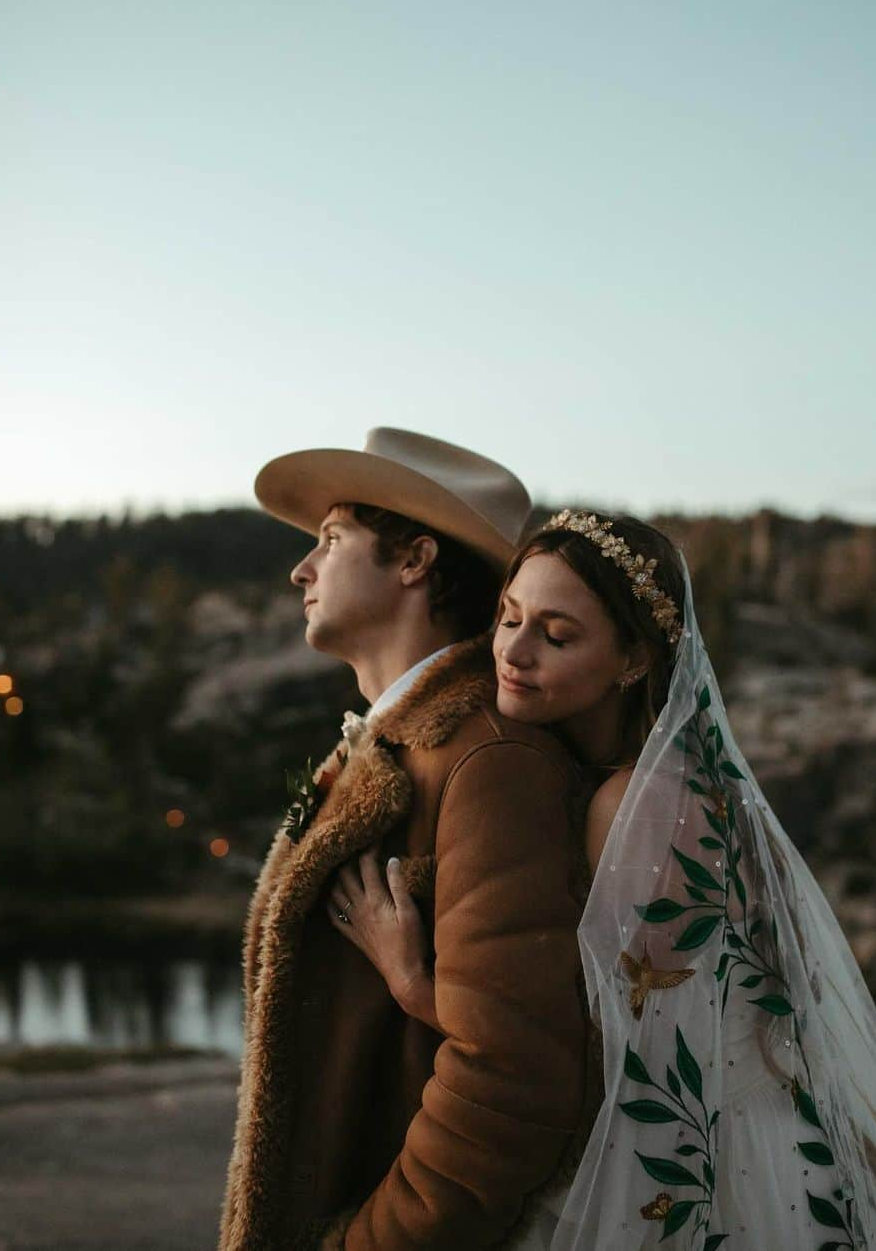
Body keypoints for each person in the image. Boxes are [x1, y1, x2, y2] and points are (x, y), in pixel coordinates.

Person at [337, 508, 876, 1251]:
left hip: (711, 1169)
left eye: (556, 635)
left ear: (633, 662)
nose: (513, 652)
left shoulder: (646, 803)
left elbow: (615, 1055)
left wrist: (411, 981)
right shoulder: (633, 779)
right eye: (508, 618)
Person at [218, 429, 597, 1251]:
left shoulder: (491, 759)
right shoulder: (394, 746)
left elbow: (516, 1074)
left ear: (415, 559)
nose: (301, 570)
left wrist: (369, 1240)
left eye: (330, 540)